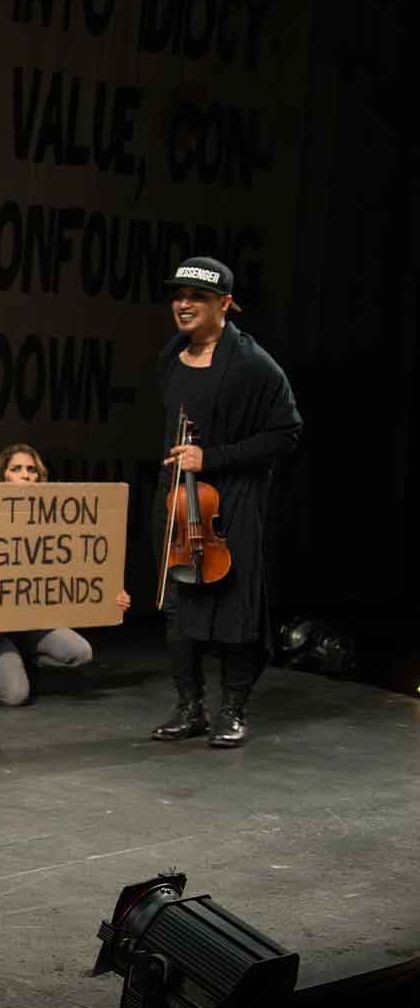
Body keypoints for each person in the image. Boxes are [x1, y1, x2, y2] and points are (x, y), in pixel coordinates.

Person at [150, 256, 301, 748]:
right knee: (177, 605)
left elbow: (286, 433)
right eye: (179, 296)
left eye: (197, 297)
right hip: (177, 500)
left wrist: (211, 458)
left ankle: (232, 709)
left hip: (230, 503)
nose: (184, 304)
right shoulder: (172, 355)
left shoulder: (253, 365)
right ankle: (189, 706)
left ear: (225, 304)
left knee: (235, 607)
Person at [0, 444, 133, 706]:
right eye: (16, 469)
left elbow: (76, 573)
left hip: (31, 621)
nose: (26, 475)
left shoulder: (55, 525)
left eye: (32, 470)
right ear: (3, 477)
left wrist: (109, 597)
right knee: (16, 695)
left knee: (80, 653)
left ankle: (18, 659)